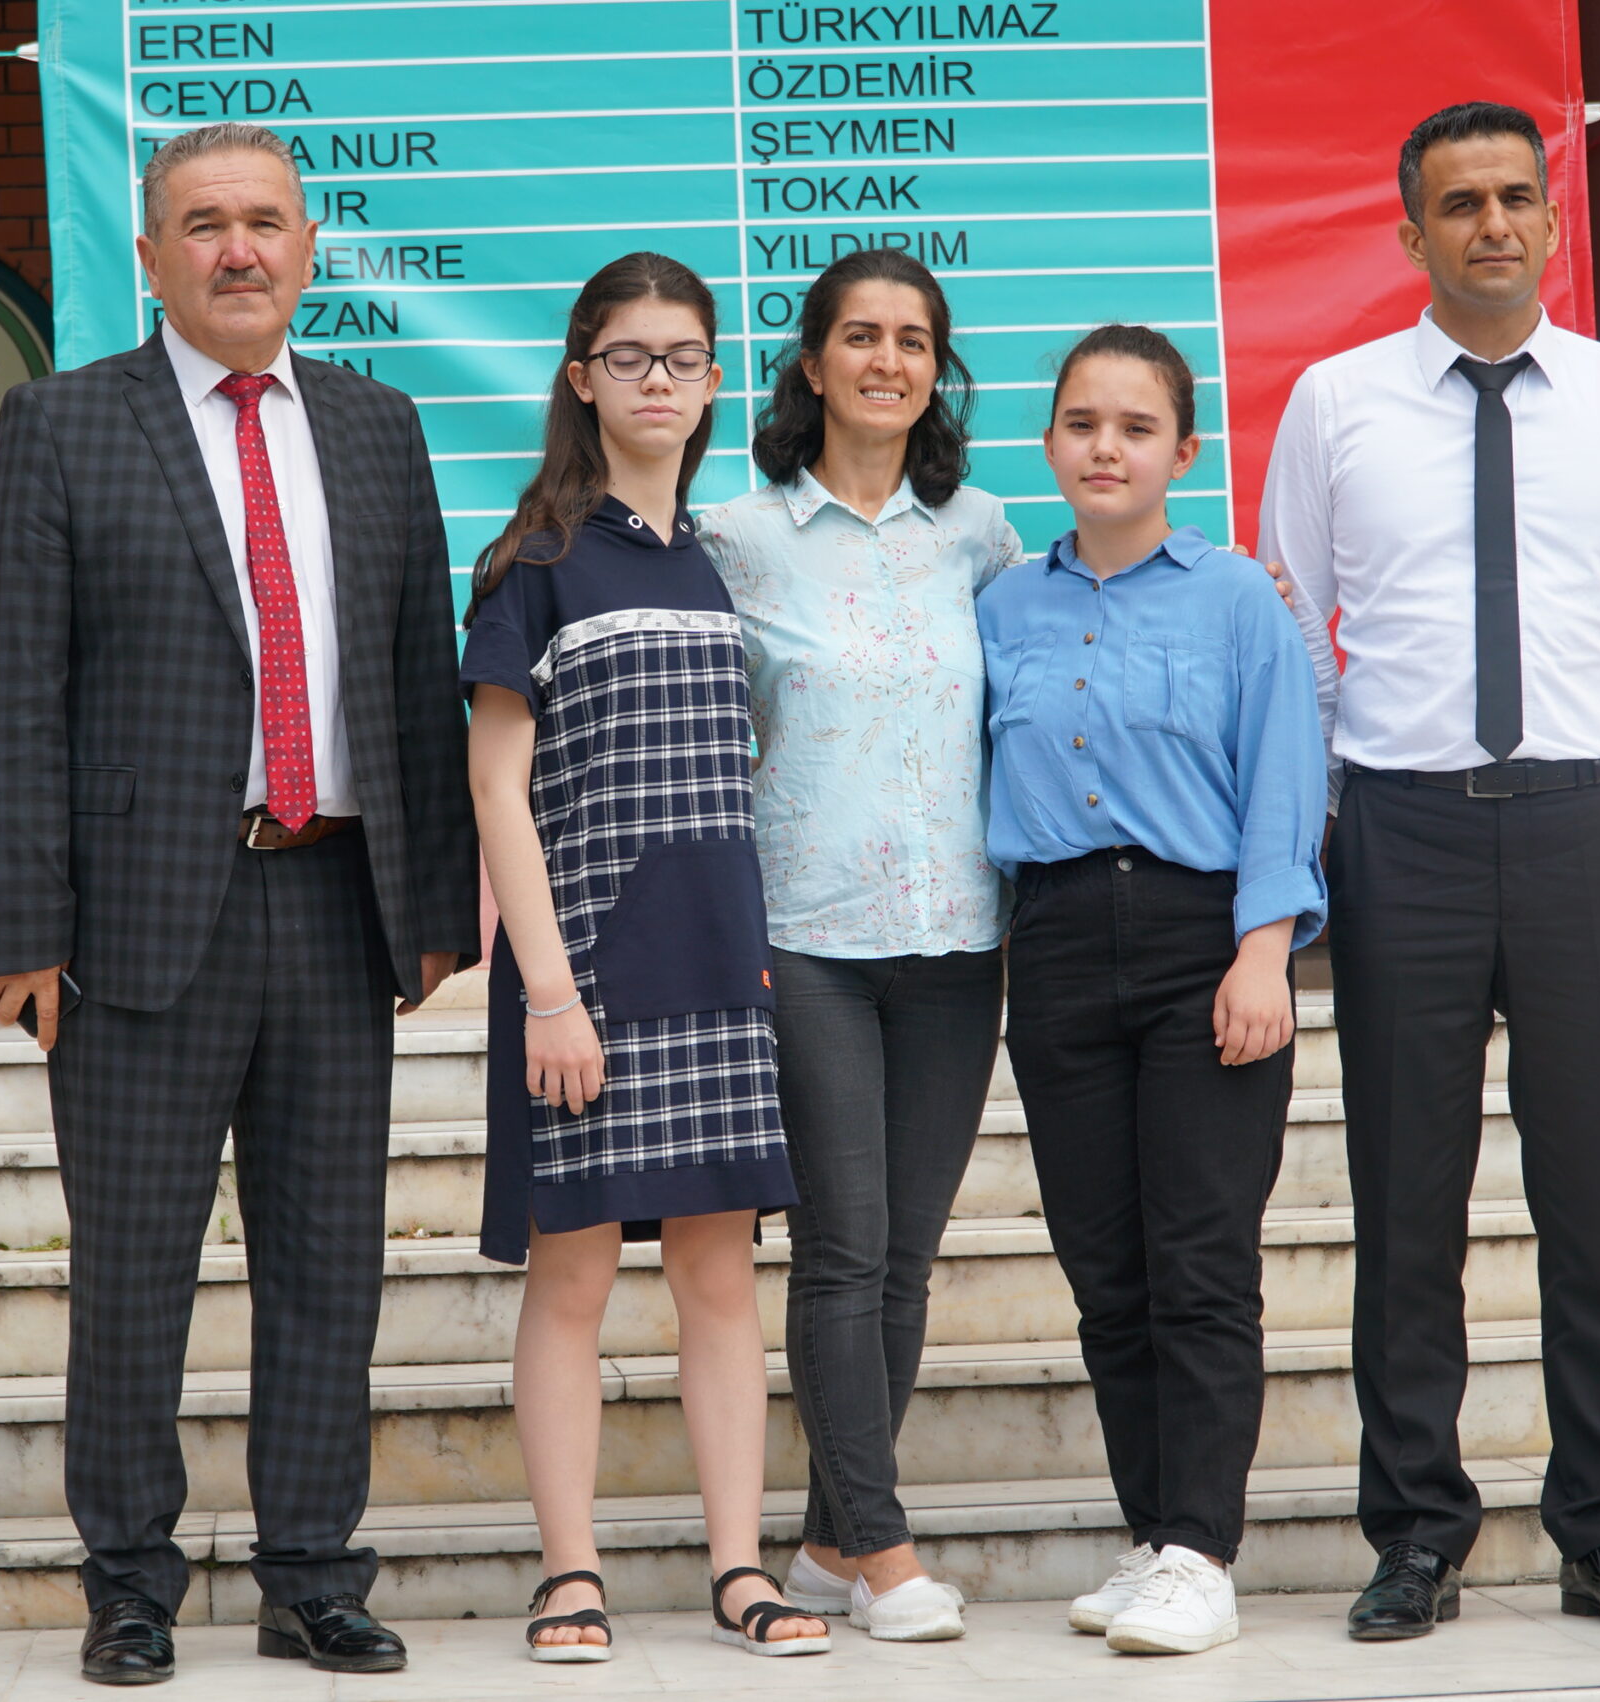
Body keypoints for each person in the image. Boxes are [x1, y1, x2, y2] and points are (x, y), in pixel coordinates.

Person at [0, 120, 478, 1684]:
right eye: (204, 223)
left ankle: (311, 1574)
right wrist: (18, 919)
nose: (238, 248)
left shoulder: (379, 425)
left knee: (328, 1266)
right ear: (152, 255)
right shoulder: (64, 423)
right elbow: (11, 687)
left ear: (308, 248)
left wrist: (433, 901)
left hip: (336, 900)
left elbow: (416, 677)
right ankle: (130, 1583)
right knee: (132, 1273)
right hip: (139, 918)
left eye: (264, 221)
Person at [1258, 101, 1600, 1640]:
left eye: (1518, 195)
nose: (1494, 223)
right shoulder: (1336, 401)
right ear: (1413, 233)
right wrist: (1351, 806)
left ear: (1555, 220)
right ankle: (1416, 1533)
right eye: (1461, 203)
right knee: (1406, 1206)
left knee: (1596, 1202)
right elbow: (1299, 624)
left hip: (1584, 824)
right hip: (1405, 832)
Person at [460, 251, 829, 1662]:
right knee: (571, 1277)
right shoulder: (537, 564)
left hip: (718, 966)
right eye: (628, 356)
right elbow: (499, 791)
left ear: (716, 378)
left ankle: (739, 1568)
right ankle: (569, 1573)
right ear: (582, 377)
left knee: (720, 1279)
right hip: (587, 976)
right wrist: (549, 992)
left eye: (682, 356)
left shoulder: (726, 561)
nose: (657, 379)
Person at [978, 324, 1326, 1657]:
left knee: (1198, 1259)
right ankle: (1152, 1533)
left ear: (1183, 450)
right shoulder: (1005, 605)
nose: (1105, 448)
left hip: (1204, 940)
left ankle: (1203, 1549)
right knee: (1104, 1265)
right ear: (1049, 443)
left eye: (1135, 428)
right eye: (1082, 423)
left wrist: (1262, 950)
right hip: (1058, 941)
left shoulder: (1237, 599)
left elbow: (1285, 774)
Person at [696, 248, 1018, 1644]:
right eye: (861, 336)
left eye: (913, 340)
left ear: (938, 370)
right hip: (807, 934)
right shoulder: (738, 537)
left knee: (907, 1254)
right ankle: (885, 1552)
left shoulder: (982, 535)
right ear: (812, 362)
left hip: (957, 935)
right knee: (842, 1247)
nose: (888, 360)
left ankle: (830, 1539)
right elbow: (703, 745)